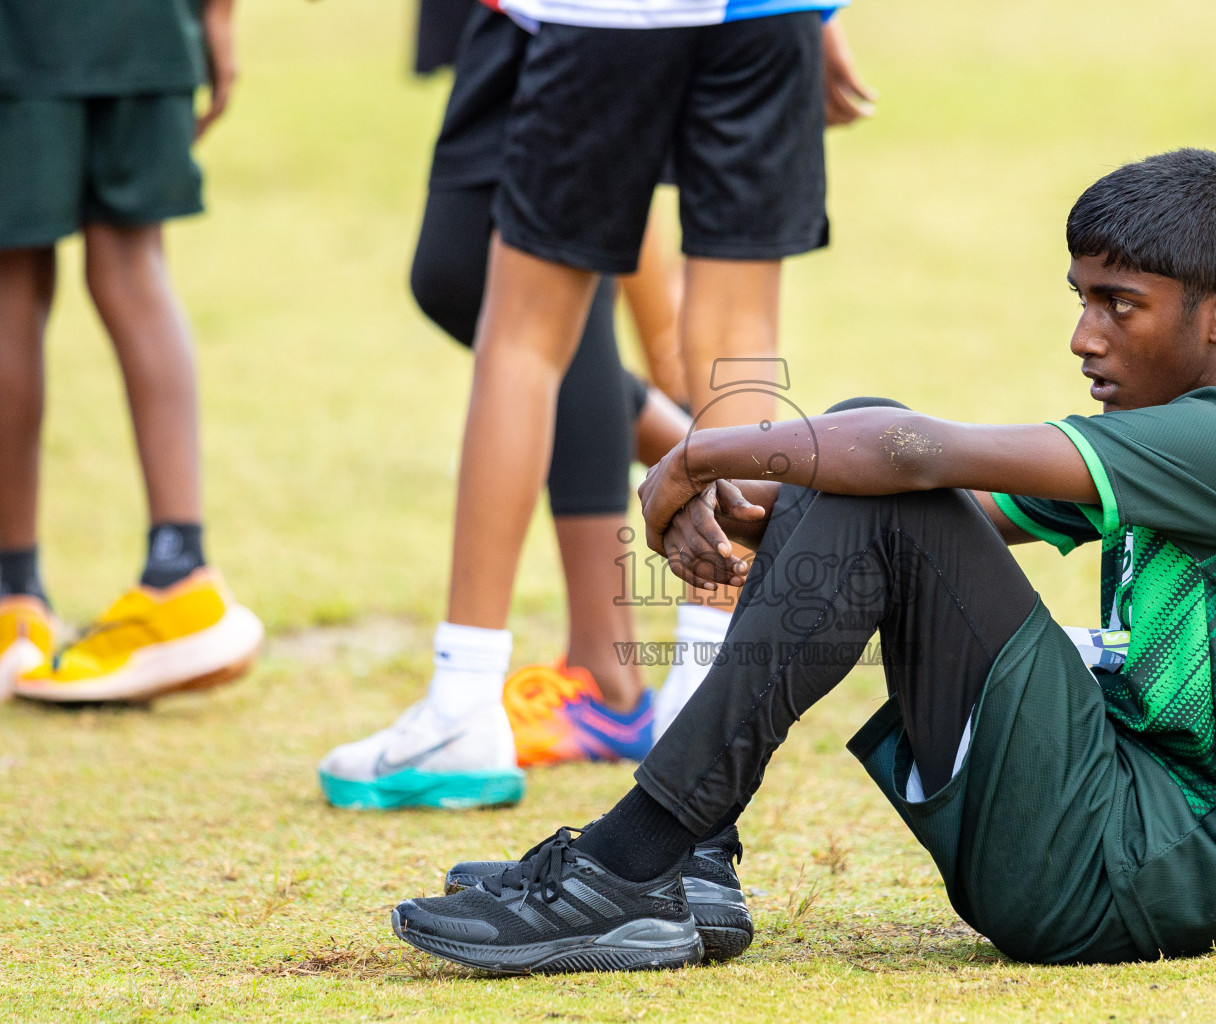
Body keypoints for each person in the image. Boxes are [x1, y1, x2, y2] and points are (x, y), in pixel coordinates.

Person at [387, 150, 1216, 973]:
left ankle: (634, 856)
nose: (1084, 336)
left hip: (1134, 873)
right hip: (1129, 844)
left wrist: (692, 453)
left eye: (1121, 305)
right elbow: (922, 520)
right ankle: (686, 854)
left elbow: (918, 460)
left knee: (873, 446)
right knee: (857, 450)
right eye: (1083, 300)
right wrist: (760, 510)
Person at [319, 0, 873, 806]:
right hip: (766, 12)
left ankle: (462, 705)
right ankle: (703, 701)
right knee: (738, 331)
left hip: (608, 15)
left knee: (523, 338)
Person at [0, 0, 263, 703]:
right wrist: (219, 13)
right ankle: (180, 574)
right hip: (148, 21)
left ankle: (11, 599)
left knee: (9, 279)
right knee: (133, 260)